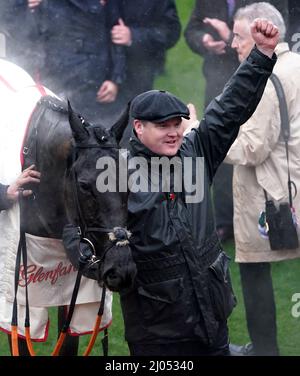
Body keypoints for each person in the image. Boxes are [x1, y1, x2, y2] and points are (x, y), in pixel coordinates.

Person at [116, 18, 279, 356]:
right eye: (163, 126)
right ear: (138, 127)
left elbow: (229, 108)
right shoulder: (117, 176)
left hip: (212, 320)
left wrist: (261, 54)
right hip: (158, 336)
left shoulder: (197, 150)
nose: (174, 131)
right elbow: (84, 236)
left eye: (177, 123)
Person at [224, 2, 300, 356]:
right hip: (293, 186)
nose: (233, 45)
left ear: (261, 34)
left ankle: (265, 350)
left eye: (238, 37)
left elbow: (251, 148)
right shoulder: (296, 62)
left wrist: (199, 136)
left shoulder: (267, 80)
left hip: (268, 193)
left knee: (254, 270)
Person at [184, 0, 288, 242]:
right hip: (218, 82)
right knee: (219, 158)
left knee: (250, 149)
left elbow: (277, 32)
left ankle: (267, 221)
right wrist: (204, 41)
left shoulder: (260, 6)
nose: (234, 42)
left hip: (257, 77)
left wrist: (228, 34)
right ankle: (224, 222)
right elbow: (191, 30)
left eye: (236, 39)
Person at [110, 0, 181, 146]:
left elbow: (170, 31)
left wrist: (134, 36)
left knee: (130, 132)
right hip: (97, 73)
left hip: (138, 73)